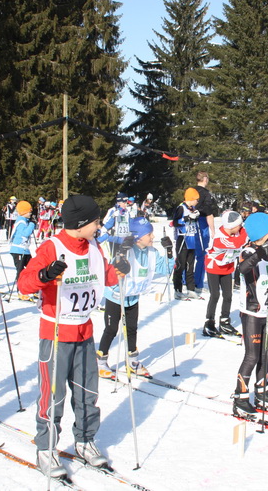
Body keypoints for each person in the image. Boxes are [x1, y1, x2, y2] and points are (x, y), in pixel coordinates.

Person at [18, 194, 127, 477]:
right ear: (79, 223)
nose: (99, 225)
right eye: (95, 221)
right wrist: (46, 274)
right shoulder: (51, 247)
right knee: (53, 395)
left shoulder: (93, 246)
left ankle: (85, 441)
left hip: (84, 331)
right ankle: (47, 448)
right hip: (55, 331)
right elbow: (24, 284)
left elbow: (104, 275)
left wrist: (120, 271)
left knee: (87, 392)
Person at [97, 217, 172, 378]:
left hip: (133, 297)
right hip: (116, 296)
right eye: (149, 234)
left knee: (131, 329)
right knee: (111, 329)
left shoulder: (152, 252)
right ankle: (101, 362)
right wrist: (121, 255)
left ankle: (132, 361)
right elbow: (112, 270)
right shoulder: (126, 249)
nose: (153, 237)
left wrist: (170, 253)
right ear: (138, 237)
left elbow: (165, 269)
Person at [232, 212, 268, 417]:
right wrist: (260, 254)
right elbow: (242, 270)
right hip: (253, 312)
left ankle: (262, 392)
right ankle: (240, 398)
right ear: (262, 233)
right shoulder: (248, 251)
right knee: (252, 356)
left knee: (266, 353)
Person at [203, 211, 247, 337]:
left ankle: (224, 321)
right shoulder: (219, 238)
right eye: (239, 225)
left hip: (227, 267)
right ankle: (209, 323)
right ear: (232, 226)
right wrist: (244, 233)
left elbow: (243, 234)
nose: (241, 227)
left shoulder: (237, 231)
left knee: (228, 295)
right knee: (215, 295)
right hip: (214, 267)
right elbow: (238, 243)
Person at [172, 188, 201, 300]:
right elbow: (175, 222)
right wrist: (188, 217)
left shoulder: (192, 208)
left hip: (192, 239)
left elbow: (193, 221)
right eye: (196, 199)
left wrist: (195, 216)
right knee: (180, 265)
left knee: (190, 265)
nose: (197, 201)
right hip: (182, 239)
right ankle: (178, 290)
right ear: (191, 198)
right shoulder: (181, 208)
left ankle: (190, 289)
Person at [194, 171, 219, 295]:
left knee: (188, 254)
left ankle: (184, 280)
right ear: (204, 179)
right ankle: (197, 283)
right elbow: (209, 213)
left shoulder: (191, 191)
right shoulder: (205, 193)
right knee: (201, 255)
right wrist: (213, 230)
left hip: (189, 224)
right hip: (201, 223)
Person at [9, 200, 36, 300]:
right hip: (18, 250)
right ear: (24, 212)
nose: (31, 213)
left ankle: (32, 288)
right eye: (29, 211)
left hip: (24, 250)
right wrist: (32, 224)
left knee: (32, 268)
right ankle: (21, 290)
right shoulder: (21, 221)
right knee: (20, 271)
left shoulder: (25, 221)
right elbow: (25, 233)